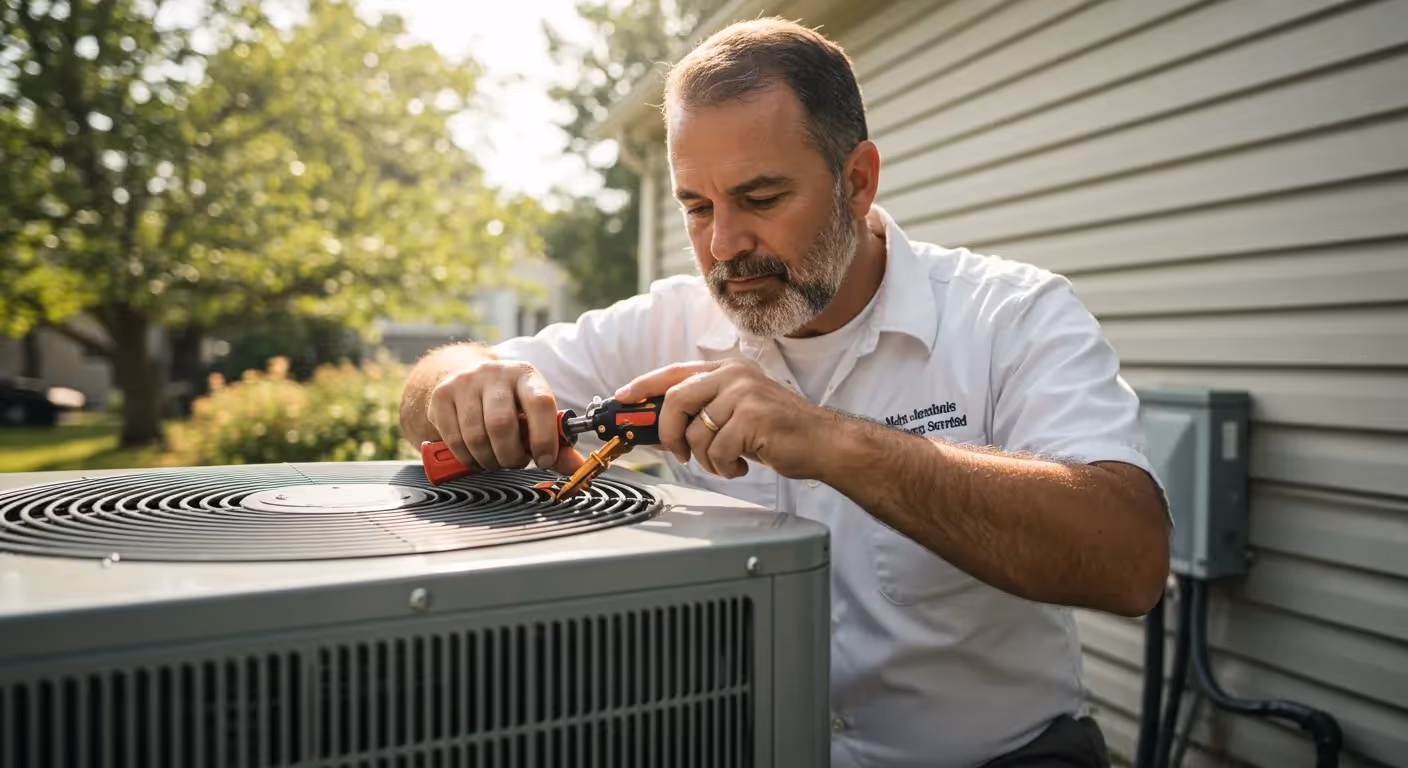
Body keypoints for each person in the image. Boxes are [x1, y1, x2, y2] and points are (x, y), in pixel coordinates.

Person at [399, 18, 1170, 768]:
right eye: (697, 207)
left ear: (858, 180)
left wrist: (834, 443)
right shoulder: (668, 319)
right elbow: (426, 397)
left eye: (761, 198)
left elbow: (1128, 561)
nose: (724, 246)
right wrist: (468, 379)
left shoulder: (1012, 314)